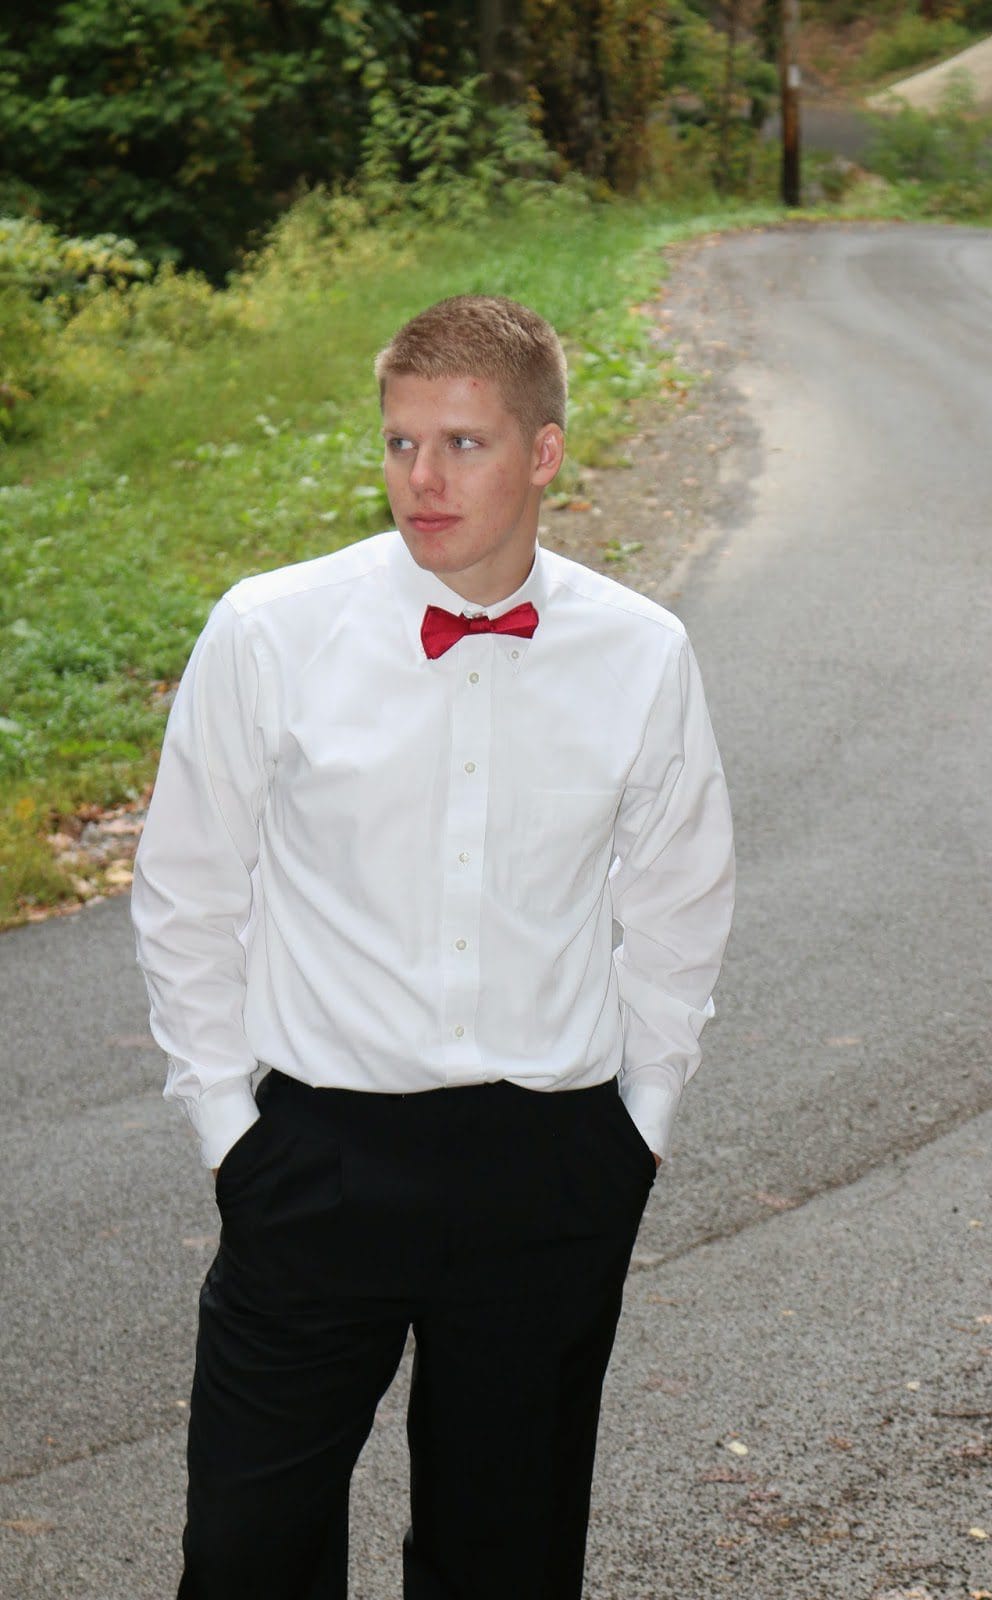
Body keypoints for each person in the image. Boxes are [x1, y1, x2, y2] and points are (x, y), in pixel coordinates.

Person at [131, 294, 735, 1600]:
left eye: (463, 443)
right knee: (243, 1557)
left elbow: (679, 898)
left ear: (544, 452)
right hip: (315, 1159)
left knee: (502, 1562)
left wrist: (638, 1122)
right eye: (401, 442)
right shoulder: (272, 629)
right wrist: (228, 1127)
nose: (422, 479)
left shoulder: (639, 652)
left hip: (547, 1165)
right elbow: (187, 887)